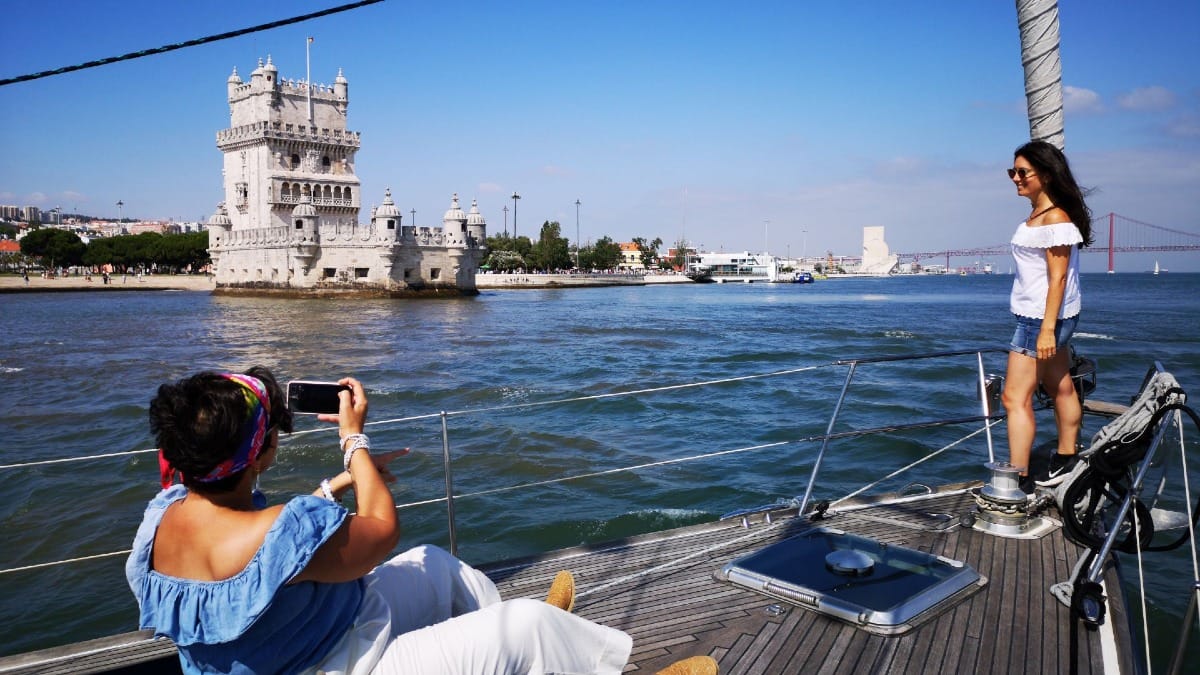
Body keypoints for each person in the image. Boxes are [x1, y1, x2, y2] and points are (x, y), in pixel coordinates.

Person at [127, 366, 716, 675]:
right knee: (525, 628)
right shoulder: (286, 530)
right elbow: (382, 529)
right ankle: (544, 646)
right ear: (259, 455)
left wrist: (336, 487)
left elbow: (263, 545)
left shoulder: (161, 517)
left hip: (307, 641)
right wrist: (353, 442)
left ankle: (539, 658)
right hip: (330, 662)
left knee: (437, 568)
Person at [1000, 140, 1092, 493]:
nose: (1016, 178)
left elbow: (1058, 278)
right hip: (1045, 317)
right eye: (1013, 171)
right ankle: (1067, 458)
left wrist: (1047, 330)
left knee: (1014, 398)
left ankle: (1018, 478)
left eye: (1023, 172)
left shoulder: (1055, 219)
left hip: (1039, 319)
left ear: (1047, 175)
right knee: (1059, 384)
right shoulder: (1039, 217)